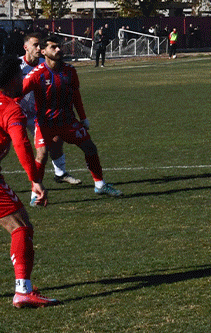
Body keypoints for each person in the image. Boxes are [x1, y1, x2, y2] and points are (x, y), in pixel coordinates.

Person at [23, 34, 122, 198]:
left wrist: (83, 118)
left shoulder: (70, 71)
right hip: (45, 123)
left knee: (90, 147)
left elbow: (76, 95)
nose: (58, 49)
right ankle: (35, 193)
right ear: (43, 51)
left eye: (59, 46)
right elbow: (17, 93)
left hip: (68, 121)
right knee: (42, 154)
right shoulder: (36, 74)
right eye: (53, 47)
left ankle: (100, 185)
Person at [0, 56, 59, 307]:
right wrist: (35, 180)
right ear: (13, 80)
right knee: (21, 226)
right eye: (20, 76)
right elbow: (22, 145)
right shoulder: (10, 109)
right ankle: (23, 290)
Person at [20, 31, 79, 188]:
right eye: (35, 45)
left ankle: (60, 174)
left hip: (38, 114)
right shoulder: (17, 66)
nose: (39, 48)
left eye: (40, 45)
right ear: (26, 47)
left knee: (55, 141)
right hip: (18, 114)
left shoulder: (45, 63)